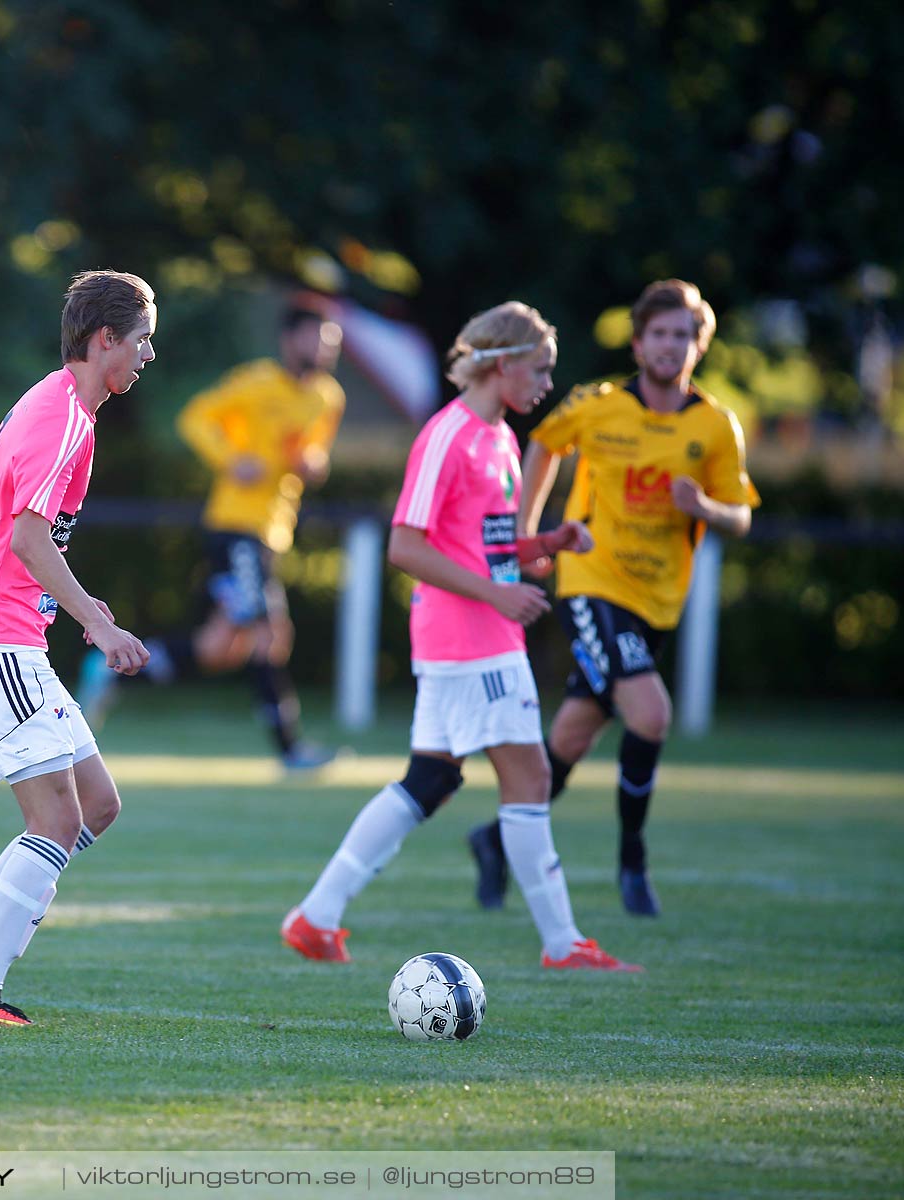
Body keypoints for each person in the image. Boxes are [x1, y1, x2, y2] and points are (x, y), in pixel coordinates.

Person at [281, 301, 641, 972]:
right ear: (500, 363)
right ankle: (564, 944)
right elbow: (405, 546)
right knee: (529, 776)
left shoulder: (501, 438)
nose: (545, 384)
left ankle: (316, 916)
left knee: (432, 778)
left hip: (476, 632)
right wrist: (498, 593)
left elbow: (489, 553)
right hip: (472, 638)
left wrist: (548, 543)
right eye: (539, 368)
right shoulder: (447, 434)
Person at [0, 270, 157, 1026]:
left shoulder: (63, 406)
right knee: (53, 822)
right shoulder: (61, 418)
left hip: (8, 637)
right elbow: (25, 535)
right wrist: (98, 624)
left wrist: (76, 605)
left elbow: (22, 537)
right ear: (104, 339)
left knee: (98, 807)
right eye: (142, 337)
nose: (150, 353)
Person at [466, 280, 759, 917]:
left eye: (682, 335)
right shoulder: (598, 405)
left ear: (698, 345)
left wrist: (704, 507)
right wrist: (526, 535)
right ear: (638, 342)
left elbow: (740, 516)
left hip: (658, 600)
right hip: (592, 582)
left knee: (571, 737)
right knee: (650, 714)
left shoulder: (714, 425)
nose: (669, 345)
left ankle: (491, 841)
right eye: (658, 333)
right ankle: (633, 864)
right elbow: (542, 442)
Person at [77, 303, 345, 769]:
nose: (323, 348)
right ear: (290, 339)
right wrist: (231, 458)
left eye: (331, 341)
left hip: (272, 532)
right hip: (235, 526)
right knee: (268, 635)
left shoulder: (328, 397)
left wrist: (314, 464)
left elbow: (313, 452)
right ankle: (291, 750)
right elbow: (197, 418)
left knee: (218, 649)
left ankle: (113, 670)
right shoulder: (257, 382)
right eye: (315, 337)